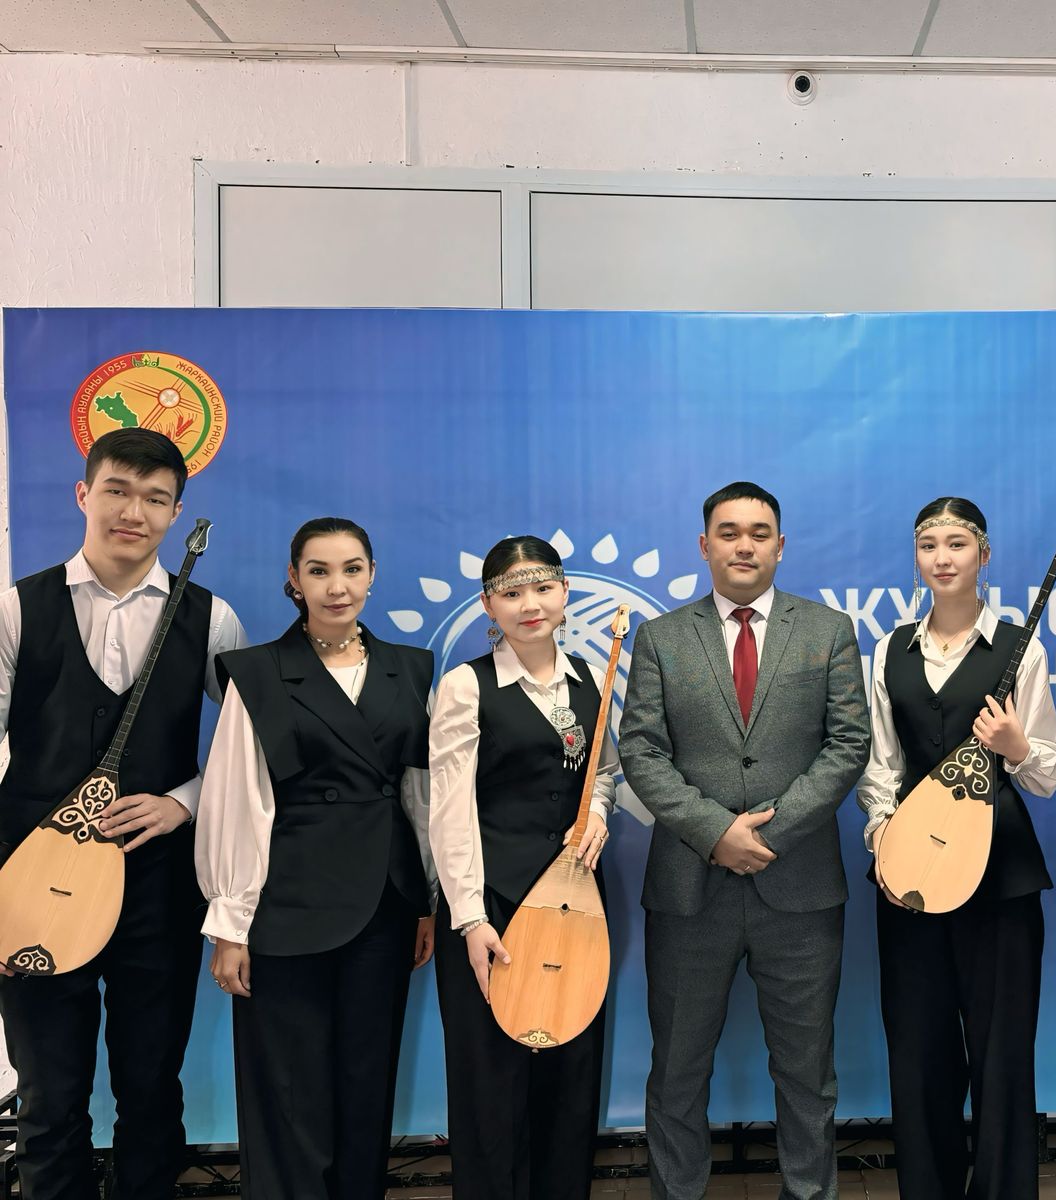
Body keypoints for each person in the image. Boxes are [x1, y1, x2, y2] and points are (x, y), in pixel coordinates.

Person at [0, 428, 245, 1200]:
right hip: (31, 889)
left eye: (154, 498)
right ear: (84, 494)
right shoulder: (16, 610)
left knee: (151, 1088)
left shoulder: (211, 617)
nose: (133, 512)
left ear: (175, 514)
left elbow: (250, 754)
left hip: (157, 890)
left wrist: (182, 803)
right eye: (117, 490)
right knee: (47, 1095)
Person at [619, 481, 871, 1200]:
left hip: (800, 888)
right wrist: (715, 833)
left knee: (807, 1073)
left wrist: (767, 832)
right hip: (689, 889)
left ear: (780, 546)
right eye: (728, 533)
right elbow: (641, 751)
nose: (744, 546)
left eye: (759, 533)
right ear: (704, 546)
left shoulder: (827, 630)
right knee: (677, 1071)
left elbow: (848, 745)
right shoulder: (662, 638)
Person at [195, 517, 435, 1200]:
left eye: (352, 569)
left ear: (372, 575)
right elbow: (236, 798)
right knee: (288, 1092)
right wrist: (231, 922)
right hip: (286, 908)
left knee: (367, 1081)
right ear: (294, 580)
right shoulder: (257, 673)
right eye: (320, 571)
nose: (338, 586)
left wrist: (424, 898)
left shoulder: (410, 667)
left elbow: (419, 794)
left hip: (384, 905)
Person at [858, 497, 1056, 1199]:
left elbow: (1046, 774)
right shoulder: (889, 649)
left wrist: (1015, 746)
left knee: (1003, 1055)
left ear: (984, 555)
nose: (942, 558)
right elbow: (880, 768)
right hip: (910, 877)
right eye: (928, 545)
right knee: (918, 1051)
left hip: (1000, 876)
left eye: (957, 544)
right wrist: (884, 838)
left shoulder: (1020, 647)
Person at [428, 535, 618, 1200]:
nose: (529, 604)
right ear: (489, 605)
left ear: (565, 593)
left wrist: (597, 814)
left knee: (569, 1077)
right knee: (491, 1084)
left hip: (577, 906)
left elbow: (603, 771)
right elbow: (448, 811)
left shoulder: (591, 677)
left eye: (542, 588)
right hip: (495, 910)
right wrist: (470, 918)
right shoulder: (466, 685)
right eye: (511, 592)